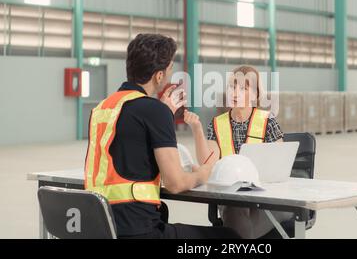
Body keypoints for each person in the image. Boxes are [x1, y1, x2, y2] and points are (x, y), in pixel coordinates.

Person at [84, 33, 240, 239]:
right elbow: (175, 183)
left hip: (101, 226)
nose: (169, 74)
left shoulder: (102, 108)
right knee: (230, 237)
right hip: (136, 230)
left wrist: (161, 112)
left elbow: (129, 144)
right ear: (159, 75)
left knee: (163, 211)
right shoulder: (153, 110)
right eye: (169, 69)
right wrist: (204, 172)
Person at [206, 65, 291, 239]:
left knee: (237, 228)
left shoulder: (268, 122)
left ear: (256, 95)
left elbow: (280, 166)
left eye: (243, 88)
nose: (235, 93)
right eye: (232, 86)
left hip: (266, 200)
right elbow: (210, 167)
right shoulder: (215, 125)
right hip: (231, 201)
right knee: (235, 215)